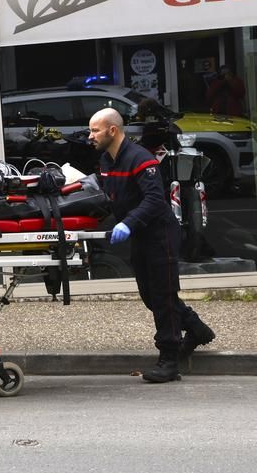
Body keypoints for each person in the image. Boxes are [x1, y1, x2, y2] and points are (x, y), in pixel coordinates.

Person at [88, 107, 216, 382]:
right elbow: (109, 196)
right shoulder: (107, 162)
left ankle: (169, 360)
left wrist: (128, 223)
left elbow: (155, 200)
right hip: (139, 234)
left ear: (113, 130)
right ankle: (196, 328)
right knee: (151, 295)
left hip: (159, 234)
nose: (90, 136)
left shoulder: (139, 159)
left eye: (95, 130)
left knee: (163, 296)